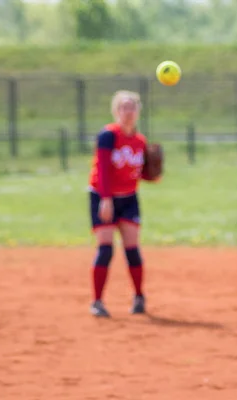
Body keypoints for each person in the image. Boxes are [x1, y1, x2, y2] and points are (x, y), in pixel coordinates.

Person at [87, 90, 161, 318]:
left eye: (131, 107)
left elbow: (136, 173)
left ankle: (139, 297)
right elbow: (103, 170)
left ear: (138, 111)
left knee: (132, 249)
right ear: (116, 111)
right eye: (123, 108)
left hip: (129, 199)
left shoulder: (140, 141)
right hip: (103, 196)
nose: (127, 112)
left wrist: (153, 175)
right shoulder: (108, 136)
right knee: (106, 248)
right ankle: (97, 301)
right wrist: (106, 200)